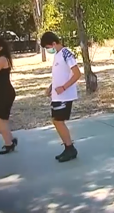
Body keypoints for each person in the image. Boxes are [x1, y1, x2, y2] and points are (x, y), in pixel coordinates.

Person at [41, 32, 81, 163]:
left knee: (58, 121)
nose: (48, 50)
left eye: (48, 47)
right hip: (57, 95)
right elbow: (61, 75)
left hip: (65, 95)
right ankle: (68, 147)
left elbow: (76, 74)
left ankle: (70, 148)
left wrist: (63, 87)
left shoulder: (66, 53)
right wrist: (51, 87)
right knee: (56, 120)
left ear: (53, 43)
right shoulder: (57, 55)